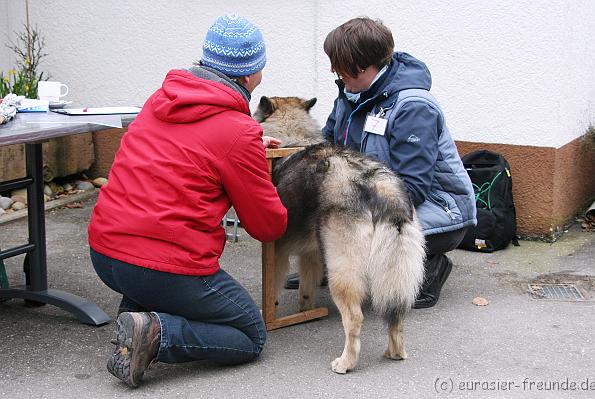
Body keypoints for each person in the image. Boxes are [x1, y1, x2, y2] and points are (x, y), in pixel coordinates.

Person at [88, 14, 287, 388]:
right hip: (157, 266)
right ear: (248, 75)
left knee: (148, 277)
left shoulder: (159, 100)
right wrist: (249, 157)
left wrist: (242, 149)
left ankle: (134, 319)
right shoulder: (237, 131)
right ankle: (156, 334)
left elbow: (190, 148)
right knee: (251, 335)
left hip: (104, 252)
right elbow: (267, 226)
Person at [285, 17, 477, 309]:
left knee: (350, 224)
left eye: (337, 64)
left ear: (360, 66)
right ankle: (331, 268)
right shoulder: (350, 94)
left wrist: (348, 216)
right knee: (327, 212)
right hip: (374, 193)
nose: (332, 70)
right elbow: (326, 149)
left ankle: (429, 269)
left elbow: (412, 188)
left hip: (438, 209)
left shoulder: (413, 106)